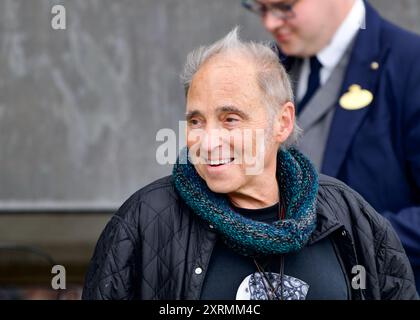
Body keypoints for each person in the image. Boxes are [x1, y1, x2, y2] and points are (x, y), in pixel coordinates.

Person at [82, 29, 417, 300]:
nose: (207, 141)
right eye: (196, 122)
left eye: (230, 119)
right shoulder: (143, 222)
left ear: (282, 122)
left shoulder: (348, 215)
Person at [241, 0, 420, 290]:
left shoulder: (411, 65)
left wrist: (347, 242)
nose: (271, 23)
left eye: (284, 6)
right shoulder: (263, 67)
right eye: (259, 8)